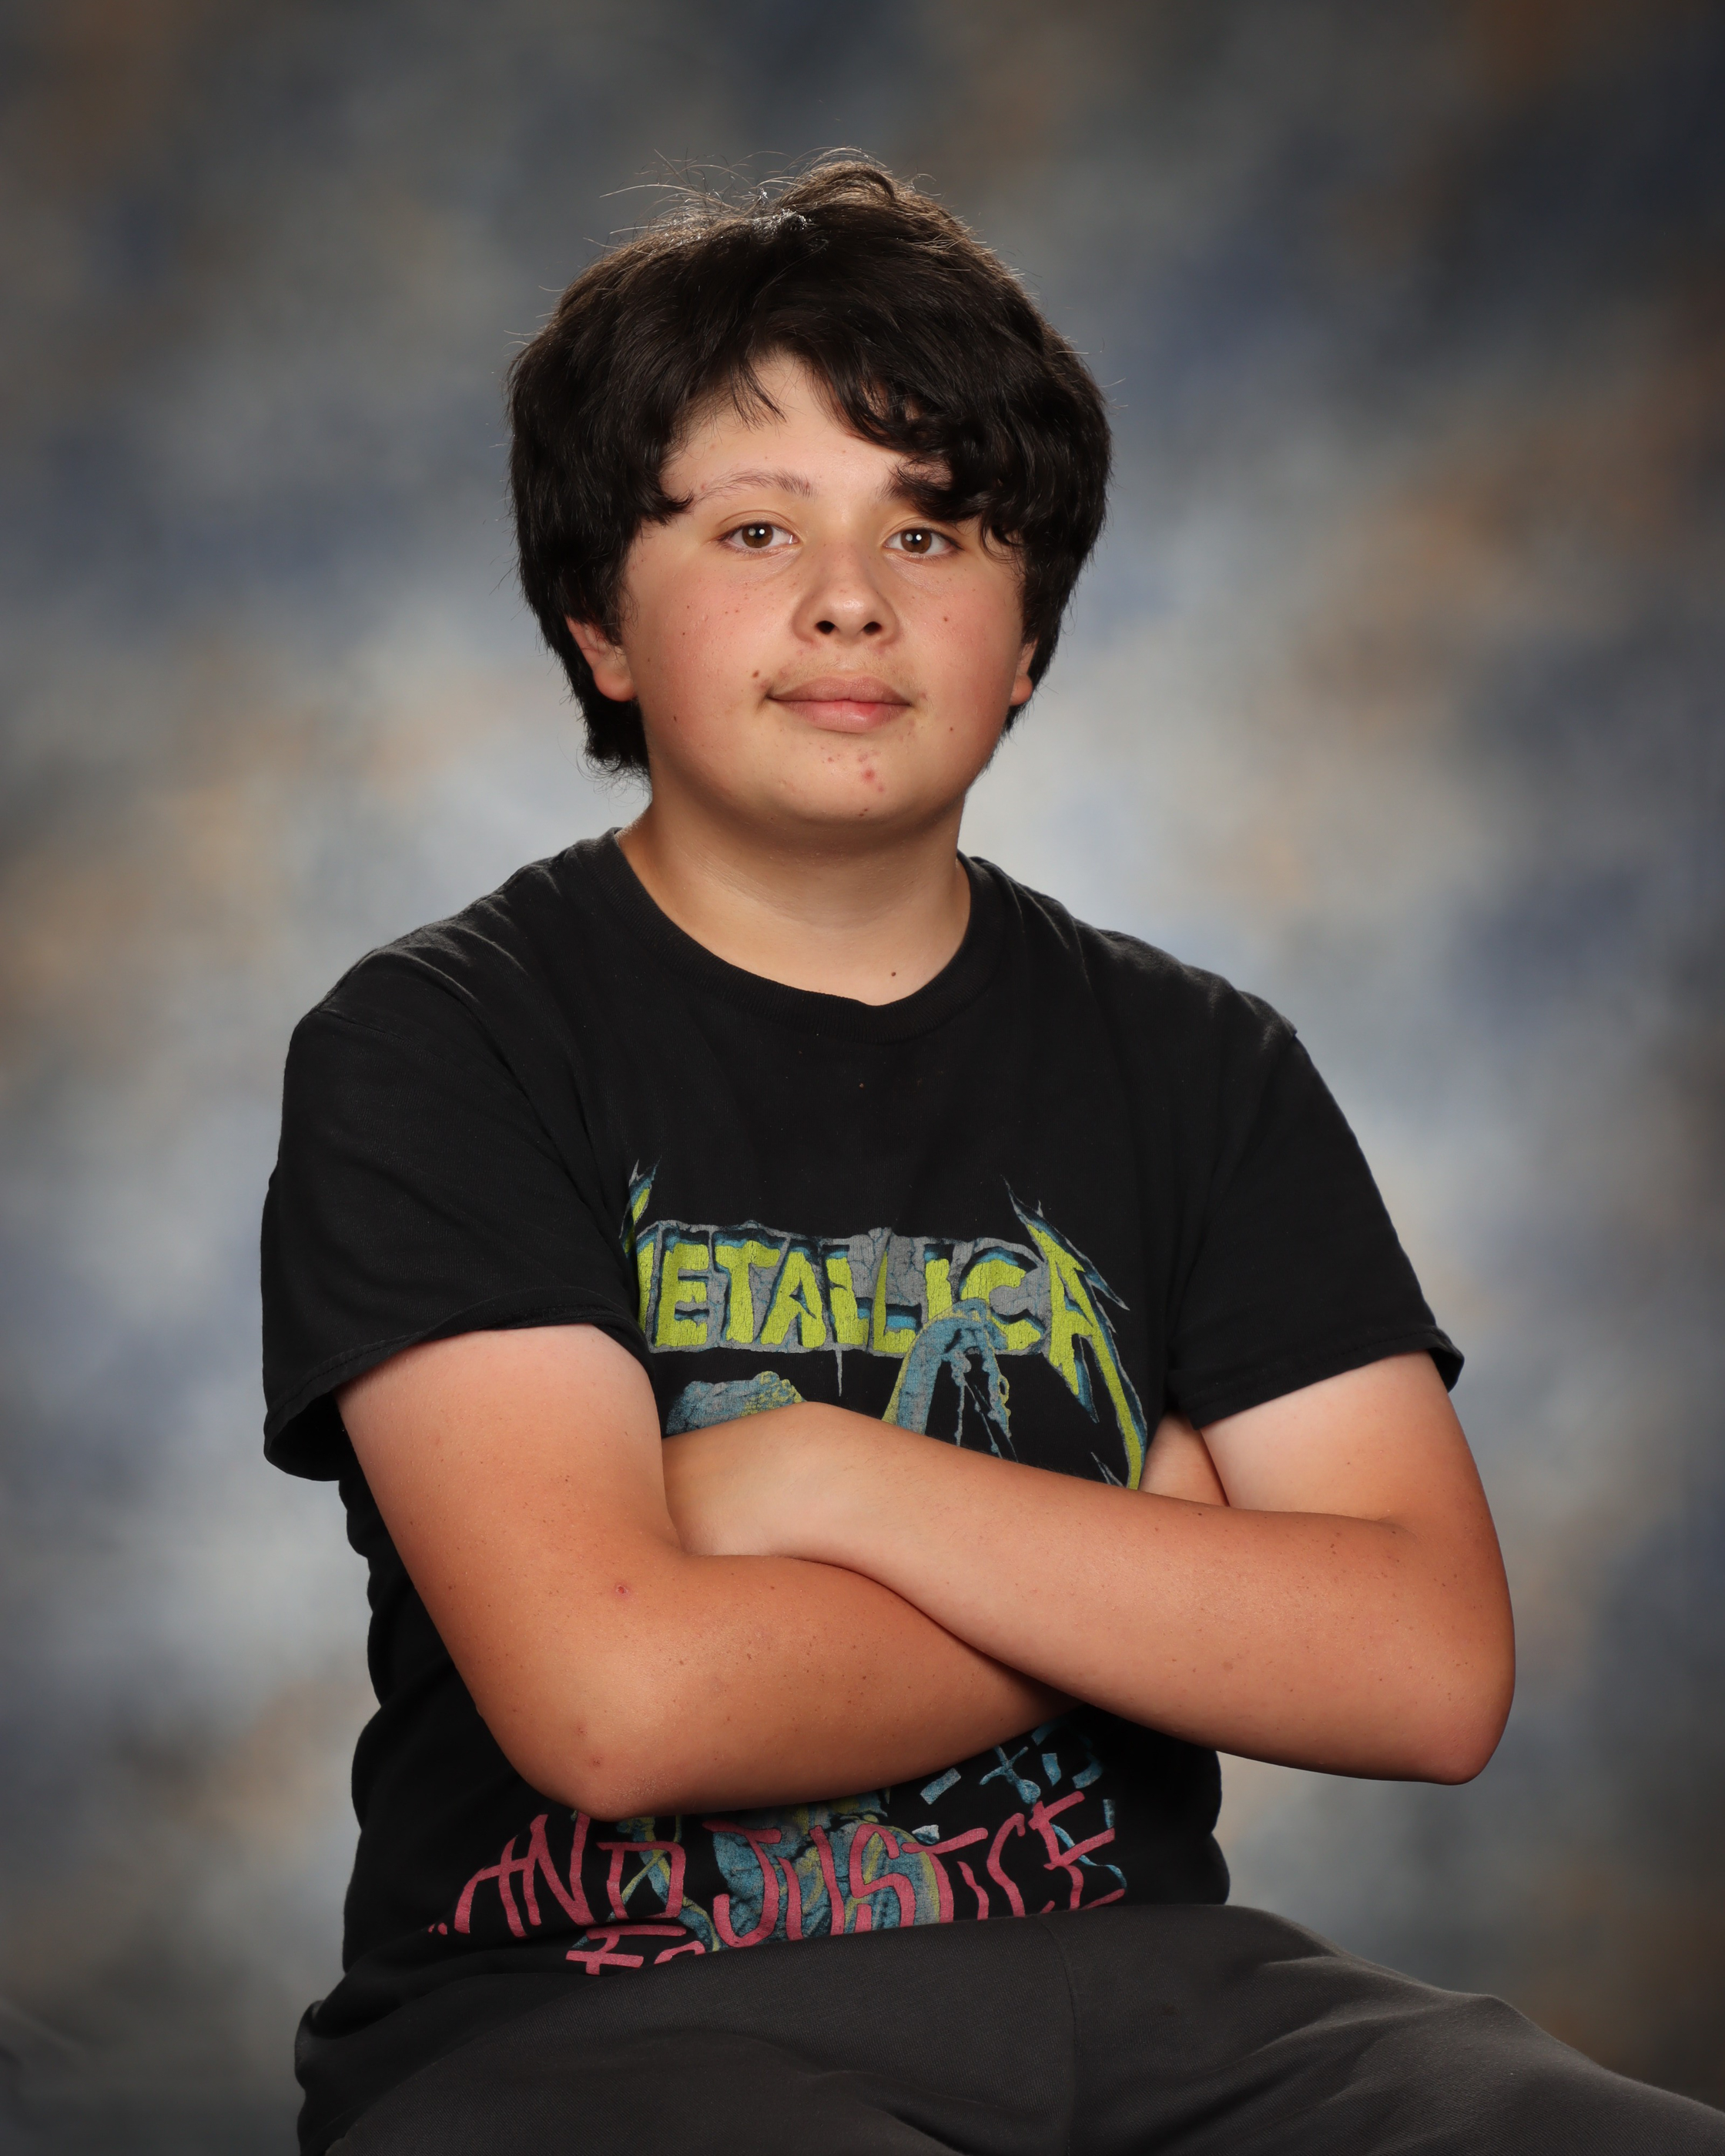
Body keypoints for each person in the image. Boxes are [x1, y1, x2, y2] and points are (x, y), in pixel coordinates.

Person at [260, 160, 1724, 2153]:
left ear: (1024, 639)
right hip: (589, 2029)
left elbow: (1425, 1670)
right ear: (601, 620)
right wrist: (1155, 1549)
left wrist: (819, 1473)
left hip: (1159, 2004)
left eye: (933, 527)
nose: (851, 597)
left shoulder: (1199, 1064)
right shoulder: (448, 1043)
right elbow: (618, 1706)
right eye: (755, 526)